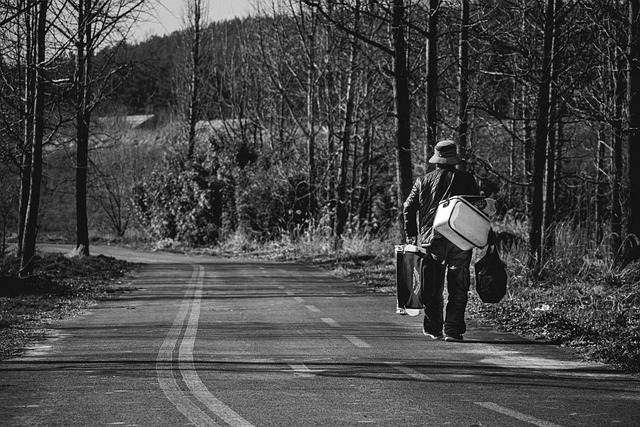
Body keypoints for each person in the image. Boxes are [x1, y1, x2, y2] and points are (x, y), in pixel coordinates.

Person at [403, 140, 480, 342]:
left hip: (433, 239)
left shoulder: (423, 181)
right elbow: (478, 208)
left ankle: (433, 328)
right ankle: (453, 330)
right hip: (460, 239)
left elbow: (407, 207)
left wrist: (411, 233)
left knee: (433, 285)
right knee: (458, 284)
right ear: (454, 159)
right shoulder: (467, 179)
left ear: (436, 160)